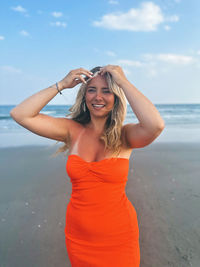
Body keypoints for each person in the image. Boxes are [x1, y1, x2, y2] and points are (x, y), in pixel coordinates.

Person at [10, 65, 165, 266]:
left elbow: (156, 125)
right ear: (84, 96)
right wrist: (62, 85)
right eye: (91, 90)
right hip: (79, 239)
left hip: (119, 238)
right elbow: (20, 114)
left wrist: (123, 82)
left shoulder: (125, 136)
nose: (97, 97)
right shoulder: (72, 130)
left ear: (116, 97)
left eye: (106, 90)